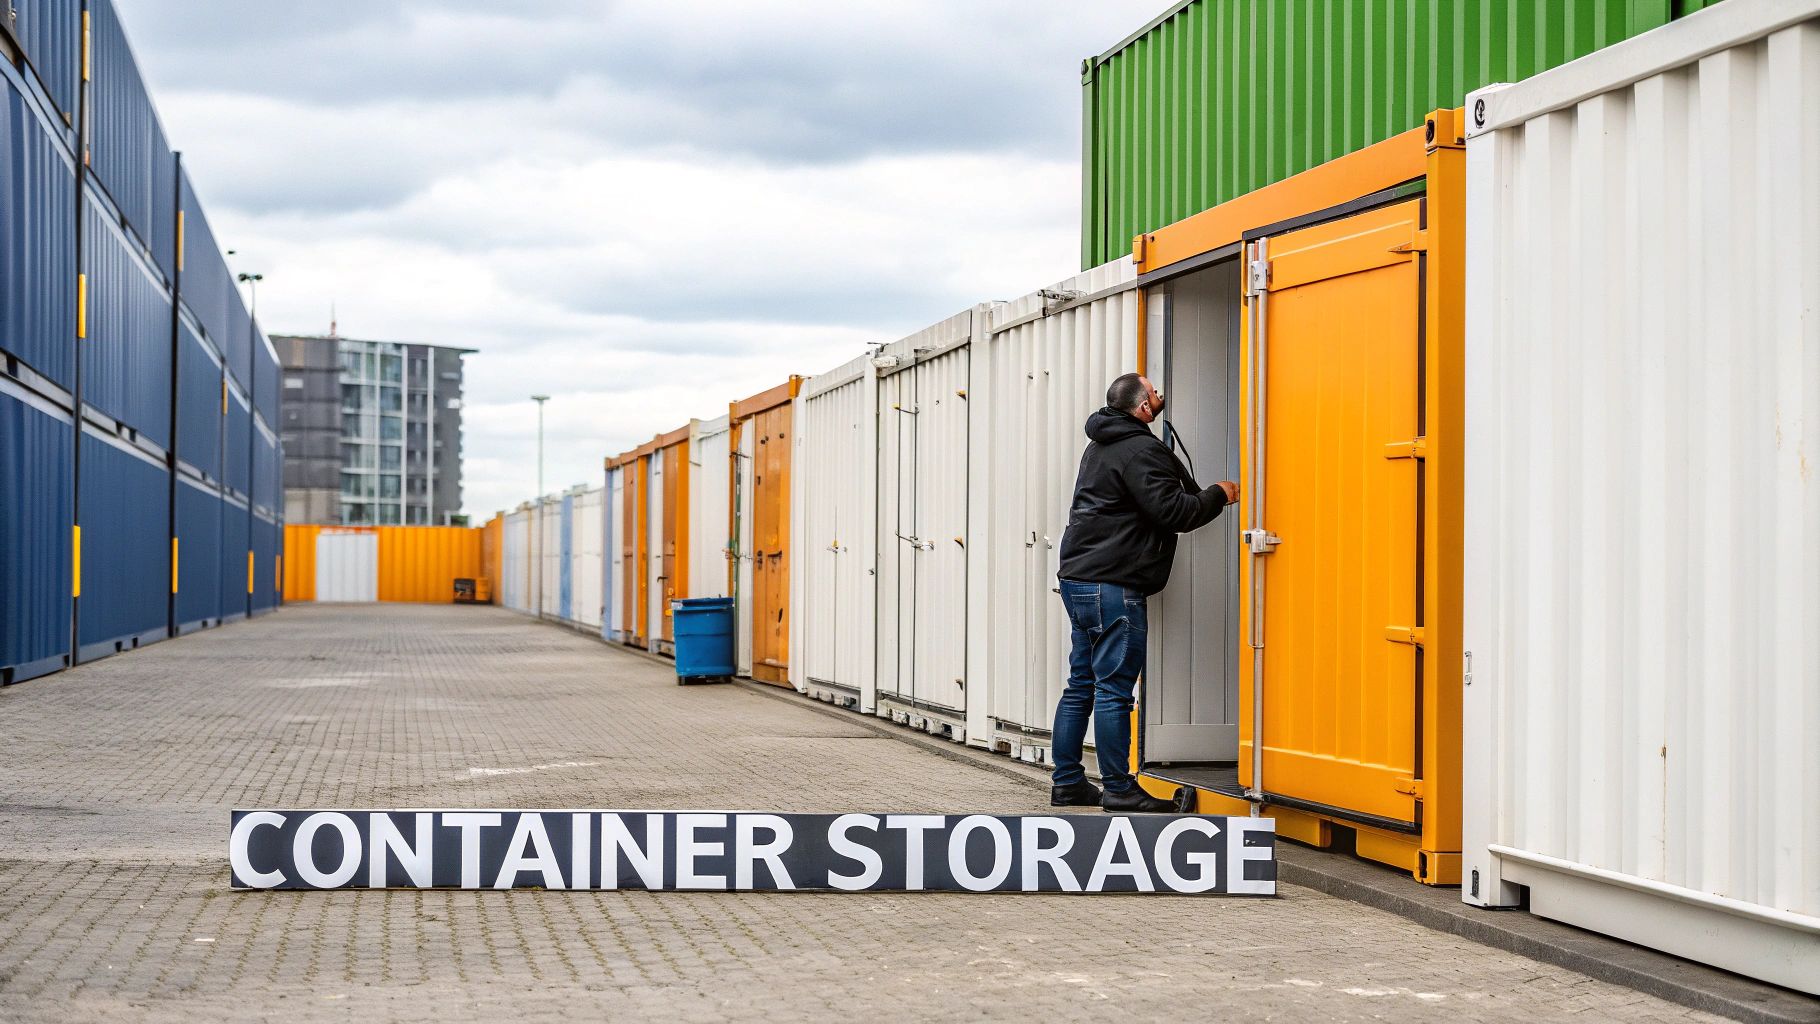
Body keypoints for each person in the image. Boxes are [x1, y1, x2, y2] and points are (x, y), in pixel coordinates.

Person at [1049, 373, 1238, 812]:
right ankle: (1119, 788)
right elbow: (1175, 511)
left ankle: (1068, 783)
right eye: (1154, 391)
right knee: (1114, 689)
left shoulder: (1100, 446)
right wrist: (1219, 494)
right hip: (1112, 584)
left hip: (1079, 578)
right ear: (1143, 408)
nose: (1160, 394)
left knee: (1081, 685)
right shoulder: (1142, 450)